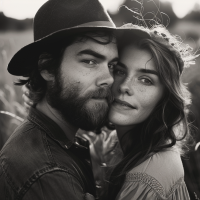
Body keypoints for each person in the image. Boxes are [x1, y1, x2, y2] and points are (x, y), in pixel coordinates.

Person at [22, 23, 198, 199]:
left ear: (164, 96)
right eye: (119, 71)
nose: (124, 87)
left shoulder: (145, 179)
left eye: (145, 80)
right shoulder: (122, 148)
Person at [0, 0, 119, 199]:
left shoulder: (53, 141)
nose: (109, 79)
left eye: (113, 66)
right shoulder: (48, 174)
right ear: (47, 67)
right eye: (90, 61)